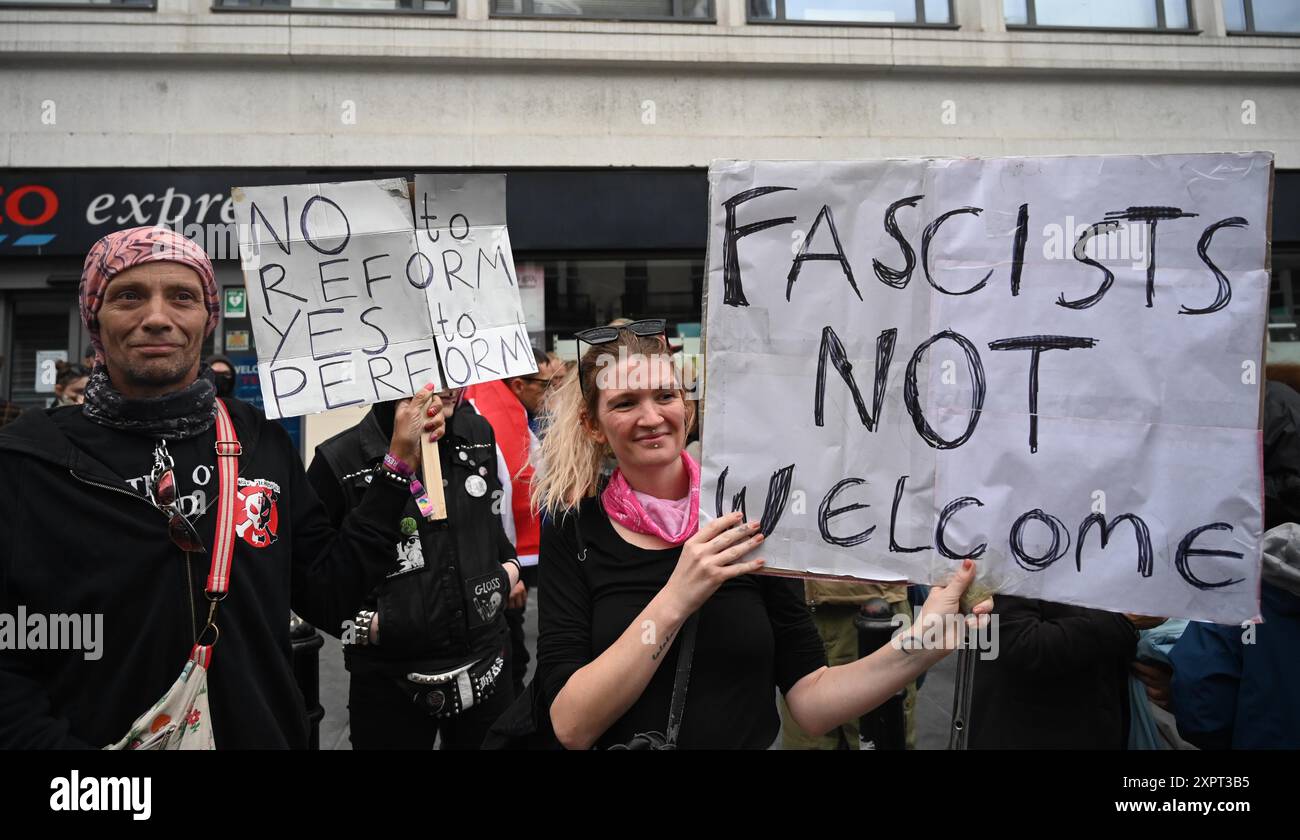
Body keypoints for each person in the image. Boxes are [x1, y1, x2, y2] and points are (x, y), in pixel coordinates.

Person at [0, 225, 444, 748]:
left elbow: (331, 594)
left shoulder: (261, 443)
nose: (158, 317)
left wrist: (396, 468)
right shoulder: (27, 463)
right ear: (94, 315)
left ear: (208, 316)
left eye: (182, 297)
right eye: (129, 296)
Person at [531, 321, 989, 749]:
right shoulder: (573, 528)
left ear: (686, 407)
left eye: (665, 395)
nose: (651, 417)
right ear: (593, 426)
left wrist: (925, 643)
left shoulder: (748, 516)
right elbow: (572, 725)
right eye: (625, 403)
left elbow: (811, 701)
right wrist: (678, 596)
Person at [308, 387, 521, 750]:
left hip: (487, 666)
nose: (449, 385)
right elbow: (310, 583)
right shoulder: (337, 460)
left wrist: (506, 571)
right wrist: (370, 628)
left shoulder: (477, 433)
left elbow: (490, 520)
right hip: (389, 682)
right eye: (430, 369)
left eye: (452, 367)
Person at [464, 347, 558, 693]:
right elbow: (490, 499)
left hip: (528, 545)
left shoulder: (512, 409)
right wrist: (503, 567)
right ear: (518, 385)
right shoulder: (489, 414)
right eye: (545, 385)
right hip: (509, 555)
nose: (550, 394)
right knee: (510, 656)